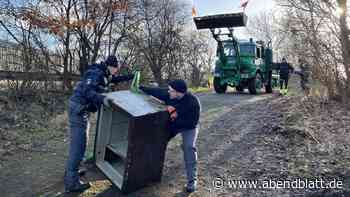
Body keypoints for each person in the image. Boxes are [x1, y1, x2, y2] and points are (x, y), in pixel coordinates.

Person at [64, 55, 134, 193]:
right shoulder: (96, 73)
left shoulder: (104, 73)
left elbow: (114, 79)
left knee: (82, 143)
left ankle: (72, 172)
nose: (116, 71)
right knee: (78, 146)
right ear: (110, 66)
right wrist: (104, 99)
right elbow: (87, 91)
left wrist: (131, 76)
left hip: (82, 110)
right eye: (116, 68)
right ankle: (71, 183)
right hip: (78, 110)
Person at [139, 80, 201, 193]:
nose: (168, 92)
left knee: (188, 147)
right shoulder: (169, 95)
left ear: (178, 92)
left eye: (171, 90)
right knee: (157, 142)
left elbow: (192, 123)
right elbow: (155, 91)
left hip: (189, 126)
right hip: (174, 124)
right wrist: (141, 87)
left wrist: (173, 116)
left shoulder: (193, 103)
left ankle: (192, 180)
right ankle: (149, 174)